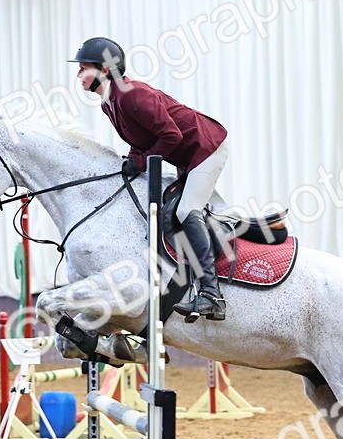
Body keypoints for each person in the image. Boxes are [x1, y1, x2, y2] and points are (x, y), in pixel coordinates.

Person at [71, 37, 230, 322]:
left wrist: (142, 162)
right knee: (166, 210)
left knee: (185, 210)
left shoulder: (133, 94)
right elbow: (141, 139)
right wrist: (132, 160)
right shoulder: (110, 103)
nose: (79, 75)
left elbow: (172, 135)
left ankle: (212, 295)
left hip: (206, 148)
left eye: (84, 68)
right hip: (186, 156)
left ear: (105, 71)